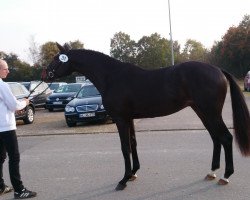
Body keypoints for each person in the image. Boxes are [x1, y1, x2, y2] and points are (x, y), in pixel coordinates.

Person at [0, 59, 37, 199]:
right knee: (14, 157)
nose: (8, 71)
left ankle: (0, 186)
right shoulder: (2, 85)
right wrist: (25, 102)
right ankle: (19, 190)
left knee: (0, 157)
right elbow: (14, 105)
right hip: (6, 127)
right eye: (5, 69)